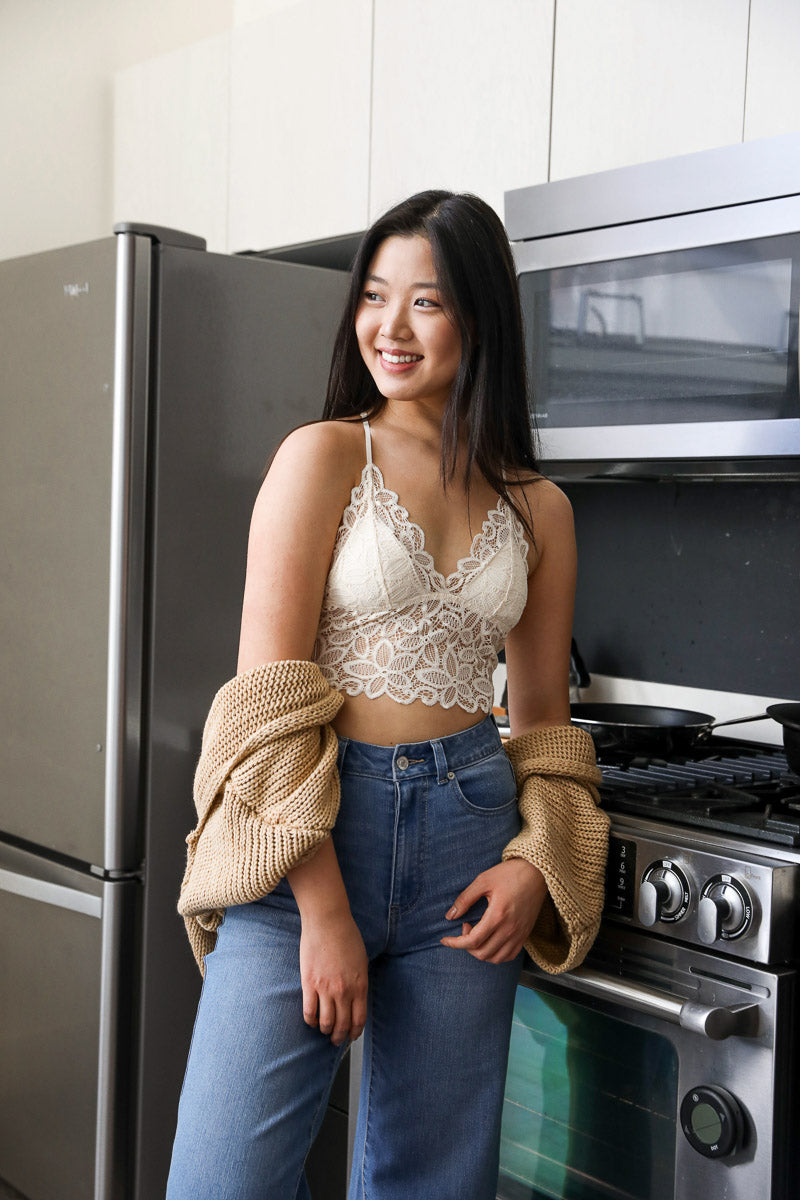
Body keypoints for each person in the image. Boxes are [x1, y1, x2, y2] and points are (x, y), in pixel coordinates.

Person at [168, 190, 609, 1200]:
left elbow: (541, 725)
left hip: (466, 841)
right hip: (306, 845)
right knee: (221, 1179)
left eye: (426, 301)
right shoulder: (323, 455)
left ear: (479, 317)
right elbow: (266, 707)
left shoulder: (539, 508)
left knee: (431, 1182)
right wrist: (321, 910)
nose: (389, 327)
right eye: (373, 297)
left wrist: (536, 864)